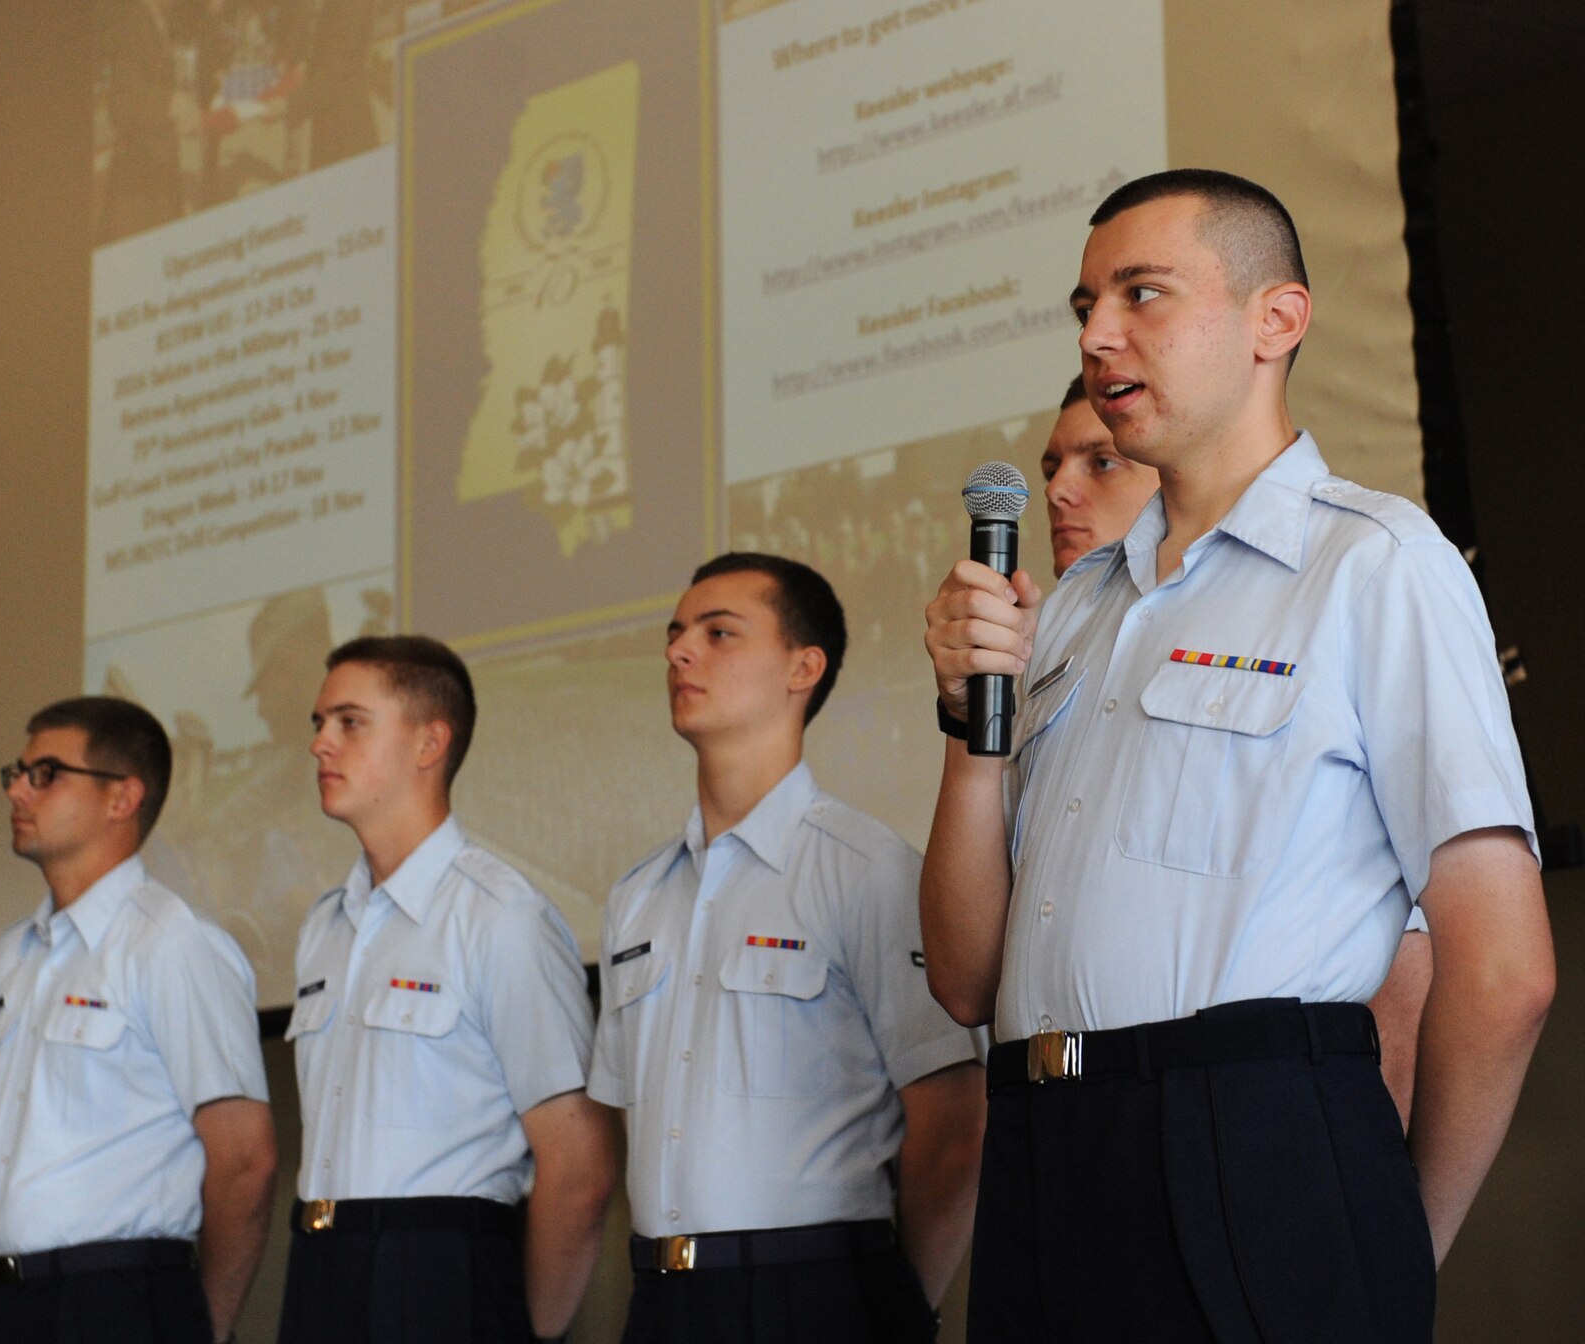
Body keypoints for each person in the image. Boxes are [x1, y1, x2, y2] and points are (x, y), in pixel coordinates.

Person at [922, 169, 1552, 1342]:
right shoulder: (1070, 614)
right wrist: (968, 726)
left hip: (1254, 1144)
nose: (1098, 334)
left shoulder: (1375, 564)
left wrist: (1385, 1244)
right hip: (1041, 1153)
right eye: (1082, 306)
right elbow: (965, 981)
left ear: (1276, 321)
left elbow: (1503, 971)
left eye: (1141, 294)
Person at [591, 553, 987, 1344]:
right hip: (660, 1297)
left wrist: (893, 1305)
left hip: (818, 1292)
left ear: (804, 667)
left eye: (719, 633)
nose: (679, 652)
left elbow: (955, 1121)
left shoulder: (868, 870)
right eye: (675, 634)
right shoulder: (636, 896)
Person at [1039, 372, 1435, 1127]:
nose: (1059, 490)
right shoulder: (1058, 650)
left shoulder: (1339, 579)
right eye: (1050, 466)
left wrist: (1392, 1233)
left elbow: (1404, 985)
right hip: (1062, 1131)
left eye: (1100, 461)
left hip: (1247, 1136)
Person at [278, 636, 616, 1343]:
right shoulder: (324, 926)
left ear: (430, 742)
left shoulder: (501, 916)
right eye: (318, 724)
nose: (319, 745)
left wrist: (529, 1330)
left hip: (438, 1270)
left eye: (349, 722)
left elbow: (578, 1163)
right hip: (317, 1266)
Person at [0, 696, 278, 1344]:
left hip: (115, 1296)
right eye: (16, 773)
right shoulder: (12, 954)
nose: (19, 791)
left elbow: (245, 1159)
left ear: (122, 798)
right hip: (4, 1299)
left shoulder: (172, 944)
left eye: (46, 774)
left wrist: (205, 1327)